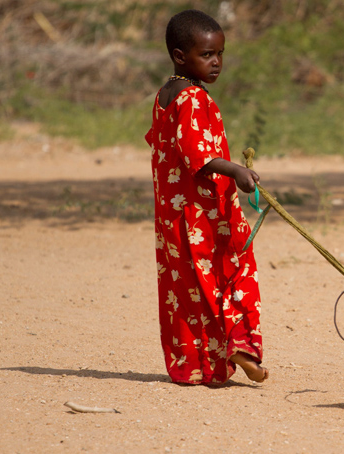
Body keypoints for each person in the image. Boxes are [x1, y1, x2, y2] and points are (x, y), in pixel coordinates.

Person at [144, 9, 267, 385]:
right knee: (232, 267)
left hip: (172, 215)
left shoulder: (165, 95)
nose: (217, 63)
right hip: (203, 213)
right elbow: (198, 152)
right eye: (207, 55)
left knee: (186, 288)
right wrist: (237, 172)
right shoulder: (193, 98)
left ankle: (197, 366)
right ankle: (241, 343)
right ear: (181, 56)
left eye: (220, 54)